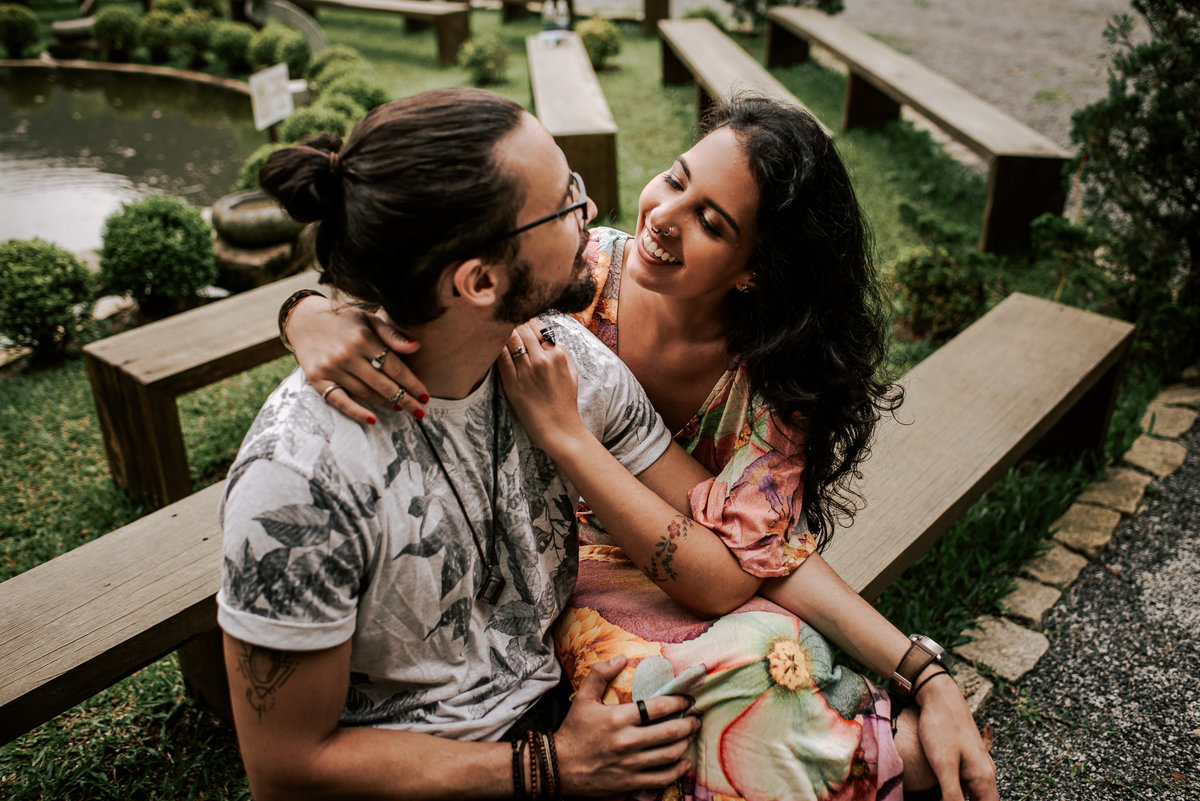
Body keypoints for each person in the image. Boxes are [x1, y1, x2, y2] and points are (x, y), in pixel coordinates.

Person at [283, 95, 998, 801]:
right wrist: (305, 312)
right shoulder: (570, 274)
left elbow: (762, 554)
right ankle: (884, 760)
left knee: (777, 652)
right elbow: (431, 277)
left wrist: (925, 672)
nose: (661, 219)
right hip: (562, 563)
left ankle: (877, 754)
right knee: (682, 694)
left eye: (711, 222)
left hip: (698, 554)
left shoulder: (771, 388)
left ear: (754, 269)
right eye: (677, 179)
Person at [217, 87, 735, 800]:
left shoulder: (557, 360)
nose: (590, 213)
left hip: (559, 698)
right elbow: (286, 768)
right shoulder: (302, 476)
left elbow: (725, 554)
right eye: (566, 201)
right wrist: (549, 766)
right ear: (480, 279)